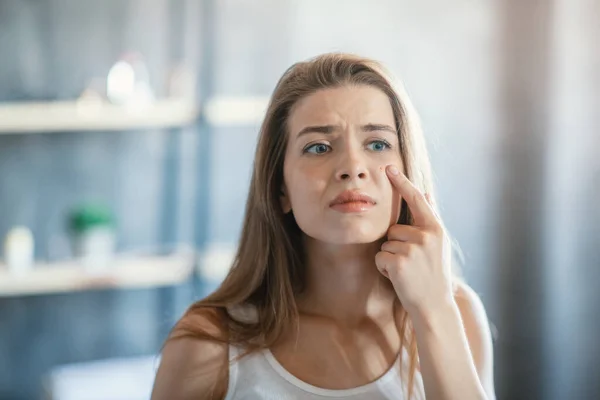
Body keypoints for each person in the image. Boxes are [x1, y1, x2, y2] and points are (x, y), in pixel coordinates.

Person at [151, 53, 496, 400]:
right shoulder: (207, 345)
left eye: (378, 144)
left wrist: (434, 312)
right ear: (280, 188)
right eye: (319, 147)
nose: (352, 167)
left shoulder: (458, 314)